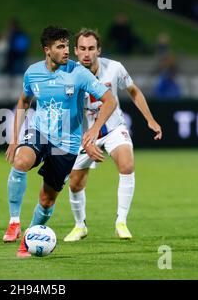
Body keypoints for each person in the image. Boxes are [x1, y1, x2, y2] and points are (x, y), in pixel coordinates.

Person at [3, 26, 117, 257]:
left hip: (67, 143)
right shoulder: (32, 73)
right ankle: (14, 222)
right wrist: (15, 139)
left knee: (46, 199)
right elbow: (23, 102)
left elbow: (110, 100)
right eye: (61, 46)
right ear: (47, 50)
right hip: (40, 132)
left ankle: (29, 239)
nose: (67, 51)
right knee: (20, 161)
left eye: (67, 45)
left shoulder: (78, 73)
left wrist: (94, 129)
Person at [63, 28, 162, 242]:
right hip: (84, 133)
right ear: (76, 51)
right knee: (75, 183)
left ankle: (121, 222)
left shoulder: (114, 68)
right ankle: (80, 226)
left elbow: (133, 90)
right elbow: (68, 115)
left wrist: (150, 119)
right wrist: (83, 140)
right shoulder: (68, 76)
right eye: (82, 49)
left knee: (127, 164)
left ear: (99, 50)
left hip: (113, 127)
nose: (87, 53)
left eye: (91, 48)